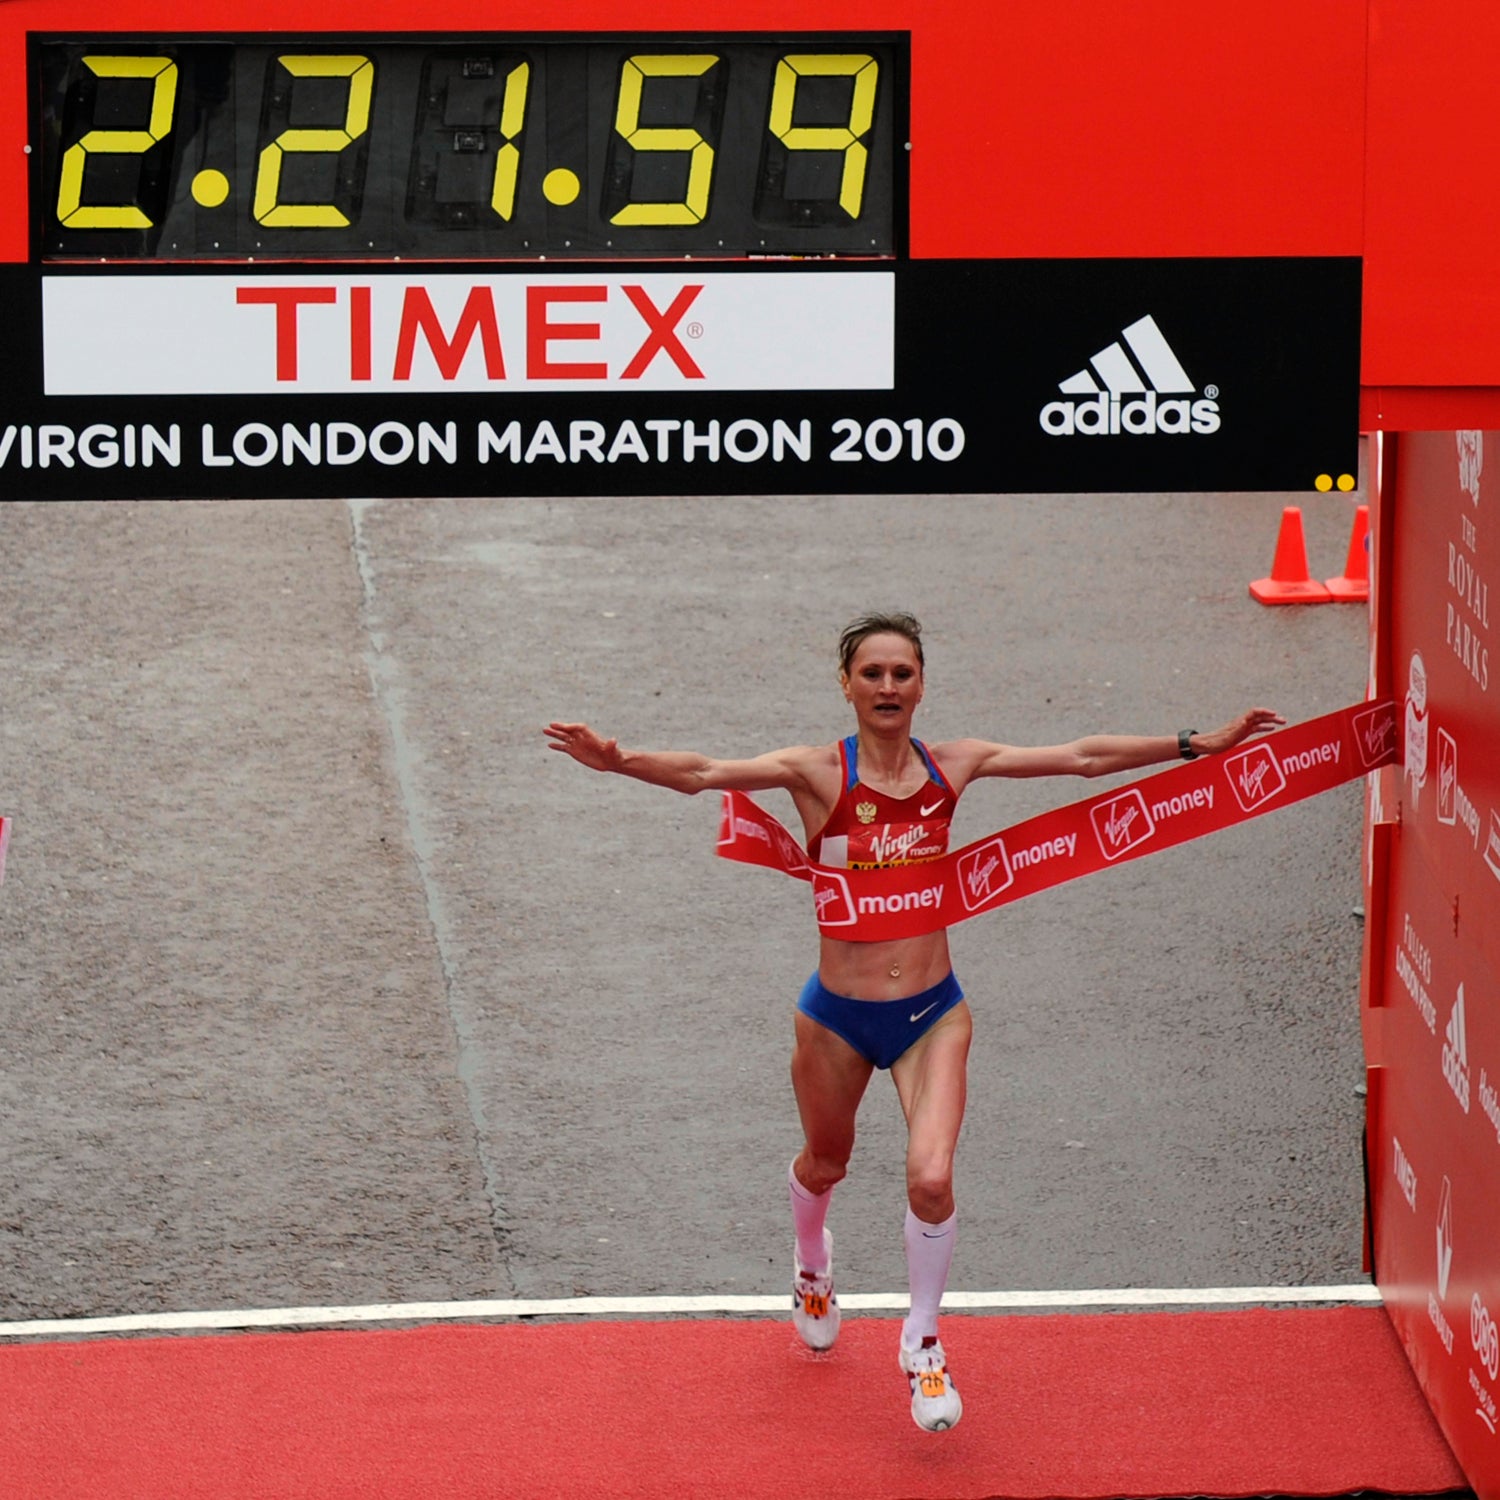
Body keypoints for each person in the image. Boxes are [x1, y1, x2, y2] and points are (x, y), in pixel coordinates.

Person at [545, 610, 1283, 1432]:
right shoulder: (817, 773)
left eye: (903, 674)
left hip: (933, 1014)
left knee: (931, 1178)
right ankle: (813, 1263)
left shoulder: (954, 765)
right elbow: (705, 772)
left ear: (922, 684)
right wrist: (619, 761)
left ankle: (923, 1344)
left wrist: (1194, 743)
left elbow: (1081, 757)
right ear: (848, 686)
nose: (888, 687)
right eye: (873, 674)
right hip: (836, 1019)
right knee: (827, 1163)